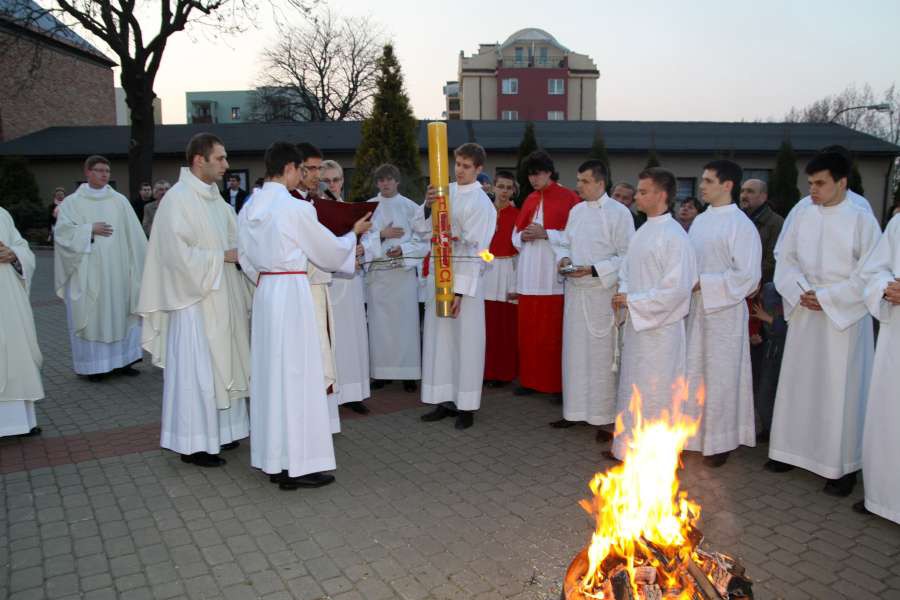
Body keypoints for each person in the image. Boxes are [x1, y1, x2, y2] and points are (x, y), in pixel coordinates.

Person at [238, 141, 372, 490]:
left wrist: (265, 280)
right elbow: (327, 252)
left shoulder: (250, 206)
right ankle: (297, 465)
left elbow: (245, 258)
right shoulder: (293, 207)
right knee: (299, 377)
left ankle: (274, 460)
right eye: (300, 169)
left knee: (271, 378)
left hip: (267, 292)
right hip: (292, 292)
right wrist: (352, 234)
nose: (302, 175)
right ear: (289, 168)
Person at [766, 149, 881, 497]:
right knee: (799, 382)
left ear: (841, 182)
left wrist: (829, 297)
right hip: (805, 307)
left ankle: (840, 467)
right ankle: (790, 451)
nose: (812, 190)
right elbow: (784, 256)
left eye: (820, 184)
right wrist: (801, 290)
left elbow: (871, 271)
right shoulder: (803, 212)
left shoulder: (861, 218)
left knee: (839, 389)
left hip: (842, 316)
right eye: (810, 183)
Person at [138, 133, 252, 468]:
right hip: (193, 305)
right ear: (199, 160)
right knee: (197, 373)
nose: (226, 165)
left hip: (223, 296)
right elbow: (175, 256)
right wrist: (222, 256)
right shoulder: (177, 200)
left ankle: (225, 430)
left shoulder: (217, 201)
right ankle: (193, 444)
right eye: (220, 158)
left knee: (225, 362)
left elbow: (237, 242)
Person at [609, 168, 697, 461]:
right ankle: (628, 448)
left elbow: (677, 289)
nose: (636, 196)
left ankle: (655, 456)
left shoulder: (675, 237)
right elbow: (626, 271)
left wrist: (633, 301)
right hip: (638, 328)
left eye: (643, 191)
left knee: (657, 392)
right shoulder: (642, 231)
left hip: (661, 333)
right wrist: (624, 295)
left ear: (661, 195)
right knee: (633, 388)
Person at [684, 160, 761, 467]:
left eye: (708, 181)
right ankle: (691, 435)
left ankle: (720, 441)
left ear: (727, 185)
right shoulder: (701, 221)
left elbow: (749, 277)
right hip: (696, 310)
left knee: (721, 376)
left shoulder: (741, 225)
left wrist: (706, 283)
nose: (701, 186)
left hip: (725, 313)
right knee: (693, 372)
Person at [416, 143, 496, 429]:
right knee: (439, 341)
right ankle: (443, 400)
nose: (459, 170)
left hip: (464, 285)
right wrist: (427, 206)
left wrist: (459, 291)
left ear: (478, 169)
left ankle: (466, 406)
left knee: (466, 343)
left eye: (466, 166)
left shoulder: (482, 203)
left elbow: (479, 250)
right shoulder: (444, 191)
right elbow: (420, 229)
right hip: (439, 277)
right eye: (458, 164)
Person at [553, 160, 634, 441]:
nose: (579, 186)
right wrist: (564, 259)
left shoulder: (619, 214)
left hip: (601, 294)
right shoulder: (576, 211)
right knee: (574, 354)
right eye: (578, 180)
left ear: (600, 183)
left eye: (584, 181)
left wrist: (594, 269)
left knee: (601, 358)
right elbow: (564, 243)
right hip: (576, 293)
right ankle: (575, 411)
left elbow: (627, 256)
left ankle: (604, 418)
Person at [54, 155, 147, 380]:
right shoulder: (72, 203)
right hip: (88, 273)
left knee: (121, 313)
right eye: (99, 170)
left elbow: (135, 235)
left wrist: (141, 265)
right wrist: (89, 230)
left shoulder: (119, 201)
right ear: (88, 172)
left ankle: (123, 361)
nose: (104, 174)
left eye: (107, 171)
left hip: (118, 272)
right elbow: (62, 235)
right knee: (94, 317)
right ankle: (94, 367)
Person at [511, 150, 580, 400]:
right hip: (529, 276)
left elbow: (576, 237)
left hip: (552, 278)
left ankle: (556, 385)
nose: (533, 179)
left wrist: (546, 233)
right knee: (529, 333)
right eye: (530, 175)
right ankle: (530, 380)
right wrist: (524, 235)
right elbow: (514, 236)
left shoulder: (569, 198)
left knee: (552, 335)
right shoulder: (530, 199)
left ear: (549, 172)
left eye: (537, 174)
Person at [854, 212, 900, 522]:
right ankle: (884, 499)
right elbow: (875, 269)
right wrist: (885, 287)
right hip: (895, 337)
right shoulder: (898, 224)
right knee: (889, 416)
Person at [364, 163, 426, 392]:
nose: (386, 183)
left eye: (389, 179)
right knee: (380, 327)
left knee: (406, 326)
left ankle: (408, 374)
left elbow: (423, 239)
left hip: (403, 275)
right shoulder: (369, 207)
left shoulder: (410, 207)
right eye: (381, 180)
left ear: (397, 181)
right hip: (379, 276)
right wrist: (381, 235)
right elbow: (360, 239)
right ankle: (381, 373)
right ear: (377, 183)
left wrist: (403, 250)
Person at [321, 159, 372, 415]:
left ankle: (353, 393)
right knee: (332, 340)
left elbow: (370, 239)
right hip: (329, 284)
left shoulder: (352, 209)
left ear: (343, 181)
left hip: (352, 284)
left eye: (336, 180)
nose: (332, 185)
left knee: (353, 338)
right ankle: (333, 394)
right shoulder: (314, 211)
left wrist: (364, 249)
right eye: (327, 181)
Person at [0, 207, 44, 438]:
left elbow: (22, 246)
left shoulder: (1, 214)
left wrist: (14, 255)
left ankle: (19, 423)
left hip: (8, 299)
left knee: (16, 355)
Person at [482, 170, 520, 387]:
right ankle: (486, 370)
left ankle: (504, 373)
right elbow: (478, 243)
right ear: (493, 187)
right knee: (486, 324)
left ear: (513, 191)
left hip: (508, 271)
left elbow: (521, 251)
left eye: (508, 187)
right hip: (486, 270)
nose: (504, 191)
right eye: (501, 186)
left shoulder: (518, 215)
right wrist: (489, 258)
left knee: (505, 325)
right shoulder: (484, 212)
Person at [751, 283, 787, 443]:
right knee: (763, 396)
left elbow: (788, 328)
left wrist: (769, 319)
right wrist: (755, 337)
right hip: (769, 353)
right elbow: (760, 326)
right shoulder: (768, 289)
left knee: (774, 396)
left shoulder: (775, 291)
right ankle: (769, 430)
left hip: (782, 352)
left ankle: (777, 435)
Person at [739, 179, 783, 285]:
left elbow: (773, 260)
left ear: (763, 197)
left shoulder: (776, 223)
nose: (744, 195)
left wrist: (747, 278)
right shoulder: (736, 220)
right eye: (742, 191)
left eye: (750, 191)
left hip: (760, 285)